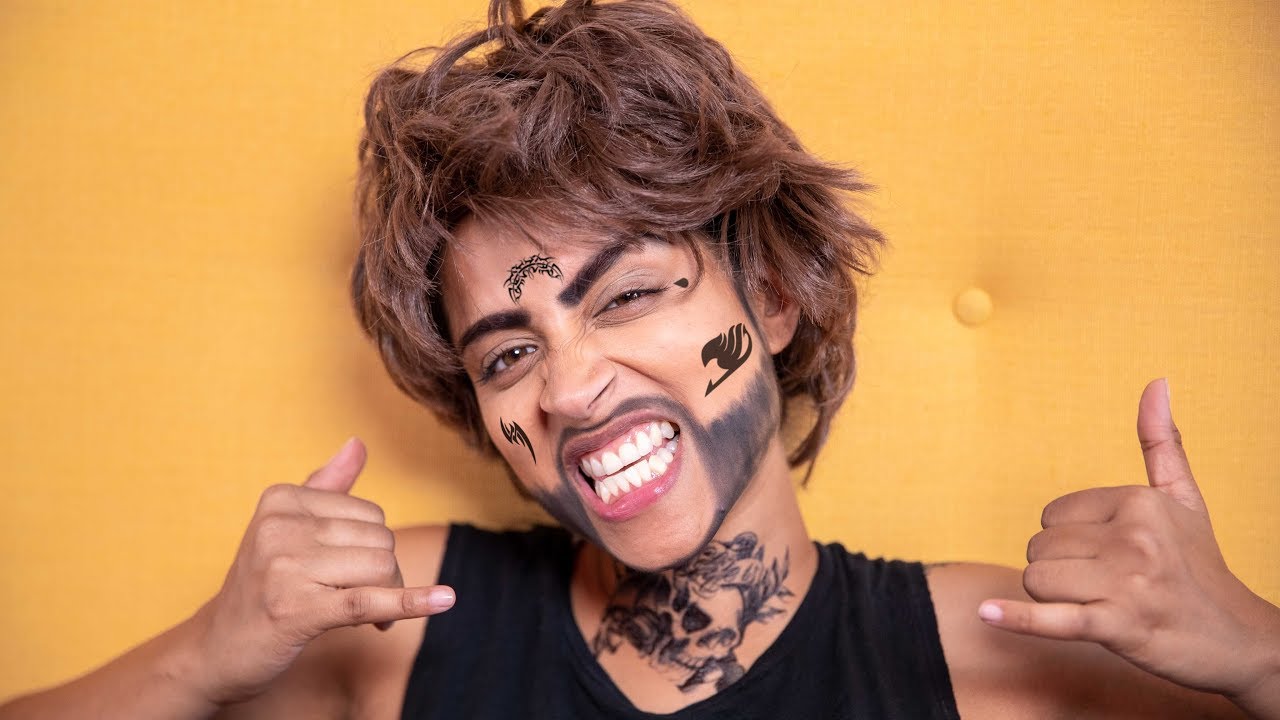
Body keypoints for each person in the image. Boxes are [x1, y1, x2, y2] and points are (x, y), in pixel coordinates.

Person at [2, 0, 1277, 717]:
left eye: (625, 296)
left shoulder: (986, 646)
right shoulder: (399, 622)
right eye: (508, 353)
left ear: (770, 297)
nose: (566, 387)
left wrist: (1254, 649)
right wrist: (204, 651)